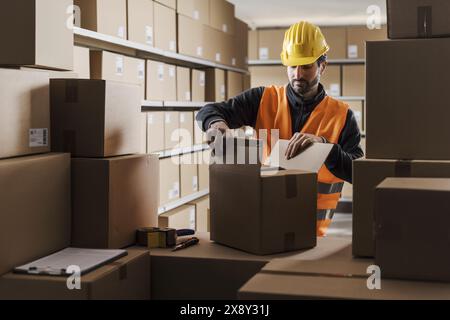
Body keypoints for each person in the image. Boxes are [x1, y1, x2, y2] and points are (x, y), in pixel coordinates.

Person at [196, 21, 364, 236]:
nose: (297, 74)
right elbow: (209, 110)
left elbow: (359, 171)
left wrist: (326, 147)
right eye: (292, 66)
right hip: (264, 220)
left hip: (313, 232)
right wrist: (216, 124)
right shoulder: (263, 99)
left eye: (306, 66)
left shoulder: (342, 115)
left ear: (322, 66)